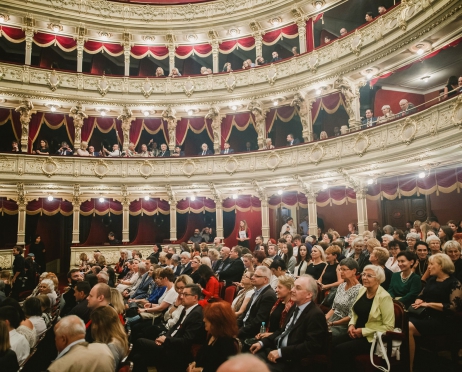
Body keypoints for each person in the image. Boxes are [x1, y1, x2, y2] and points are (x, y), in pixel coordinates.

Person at [250, 275, 328, 372]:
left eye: (298, 288)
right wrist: (262, 343)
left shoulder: (315, 314)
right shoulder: (294, 307)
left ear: (309, 294)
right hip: (278, 350)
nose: (292, 290)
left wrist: (281, 352)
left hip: (292, 360)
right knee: (249, 358)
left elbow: (312, 346)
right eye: (293, 286)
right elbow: (282, 331)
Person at [333, 265, 395, 372]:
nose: (365, 278)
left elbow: (389, 326)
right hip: (355, 331)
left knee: (341, 350)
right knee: (332, 341)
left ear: (378, 280)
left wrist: (363, 331)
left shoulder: (385, 297)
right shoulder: (362, 290)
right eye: (364, 274)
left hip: (372, 338)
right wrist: (351, 324)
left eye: (369, 276)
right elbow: (354, 311)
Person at [131, 284, 206, 372]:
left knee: (140, 342)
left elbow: (187, 340)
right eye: (182, 294)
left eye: (185, 294)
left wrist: (166, 340)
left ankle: (124, 364)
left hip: (177, 350)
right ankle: (128, 366)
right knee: (138, 357)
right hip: (170, 342)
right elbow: (174, 328)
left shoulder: (196, 314)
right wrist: (163, 338)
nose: (181, 297)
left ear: (195, 297)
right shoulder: (186, 309)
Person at [408, 254, 462, 371]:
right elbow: (421, 295)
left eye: (432, 264)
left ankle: (410, 367)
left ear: (442, 266)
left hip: (443, 321)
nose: (429, 267)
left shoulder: (454, 283)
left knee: (408, 327)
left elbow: (453, 307)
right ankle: (412, 359)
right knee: (400, 321)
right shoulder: (432, 280)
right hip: (426, 316)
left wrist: (428, 304)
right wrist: (419, 300)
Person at [48, 315, 114, 372]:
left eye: (56, 336)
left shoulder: (57, 368)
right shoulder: (105, 350)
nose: (55, 339)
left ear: (63, 339)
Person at [188, 302, 239, 372]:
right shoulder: (212, 335)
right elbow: (201, 356)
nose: (204, 320)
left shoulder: (227, 344)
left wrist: (200, 370)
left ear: (217, 323)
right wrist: (194, 363)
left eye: (208, 319)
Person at [325, 258, 361, 345]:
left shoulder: (359, 290)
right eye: (340, 269)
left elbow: (351, 316)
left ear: (354, 271)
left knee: (322, 335)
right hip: (332, 319)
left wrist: (332, 324)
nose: (341, 272)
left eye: (344, 269)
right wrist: (325, 319)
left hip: (344, 324)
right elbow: (334, 308)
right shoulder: (341, 286)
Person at [238, 266, 277, 340]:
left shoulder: (269, 295)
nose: (252, 277)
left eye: (256, 276)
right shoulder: (256, 292)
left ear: (265, 279)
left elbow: (259, 321)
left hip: (251, 334)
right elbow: (246, 314)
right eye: (253, 275)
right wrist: (235, 326)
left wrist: (239, 332)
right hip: (244, 328)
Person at [90, 306, 128, 370]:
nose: (93, 327)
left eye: (94, 323)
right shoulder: (118, 337)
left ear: (101, 325)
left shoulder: (110, 346)